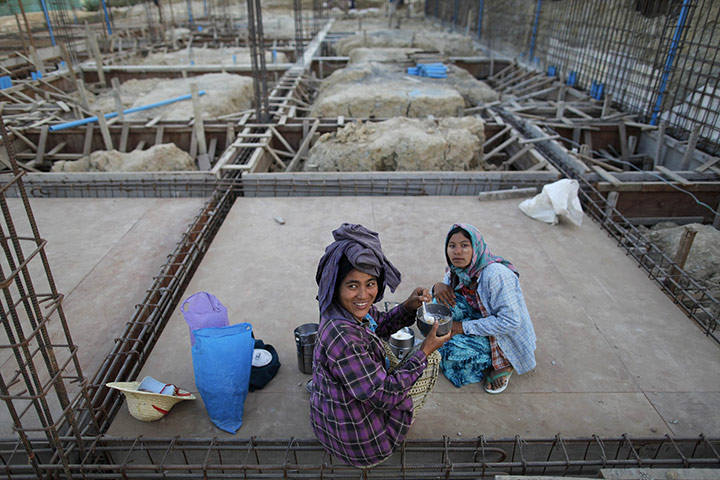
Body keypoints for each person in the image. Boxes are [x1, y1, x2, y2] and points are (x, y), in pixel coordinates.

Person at [310, 223, 450, 467]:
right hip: (360, 444)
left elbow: (379, 324)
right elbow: (385, 394)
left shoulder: (342, 311)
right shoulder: (342, 338)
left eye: (370, 283)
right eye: (352, 285)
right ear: (335, 286)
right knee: (414, 379)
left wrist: (408, 307)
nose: (363, 295)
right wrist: (424, 351)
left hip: (336, 418)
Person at [433, 223, 536, 394]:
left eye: (465, 245)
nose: (457, 251)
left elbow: (511, 321)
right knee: (438, 301)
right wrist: (439, 286)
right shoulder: (457, 271)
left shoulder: (495, 274)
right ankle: (469, 340)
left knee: (450, 348)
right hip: (480, 317)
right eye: (452, 246)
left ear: (476, 247)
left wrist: (462, 328)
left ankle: (504, 362)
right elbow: (446, 292)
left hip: (504, 334)